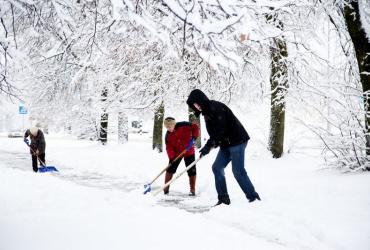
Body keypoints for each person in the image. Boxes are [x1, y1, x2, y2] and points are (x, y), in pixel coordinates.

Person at [186, 89, 260, 205]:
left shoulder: (216, 107)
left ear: (201, 100)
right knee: (217, 167)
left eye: (197, 103)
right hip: (226, 144)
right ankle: (223, 199)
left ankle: (253, 198)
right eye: (194, 105)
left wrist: (208, 145)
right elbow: (215, 134)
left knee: (238, 171)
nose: (196, 106)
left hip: (237, 141)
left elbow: (220, 130)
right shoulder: (206, 113)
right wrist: (209, 147)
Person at [163, 117, 199, 196]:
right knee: (170, 169)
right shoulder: (168, 135)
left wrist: (194, 137)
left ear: (174, 124)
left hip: (189, 151)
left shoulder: (184, 125)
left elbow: (195, 127)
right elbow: (168, 147)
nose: (168, 129)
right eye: (167, 127)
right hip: (177, 154)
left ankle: (192, 189)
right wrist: (172, 157)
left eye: (170, 126)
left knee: (191, 169)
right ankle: (166, 189)